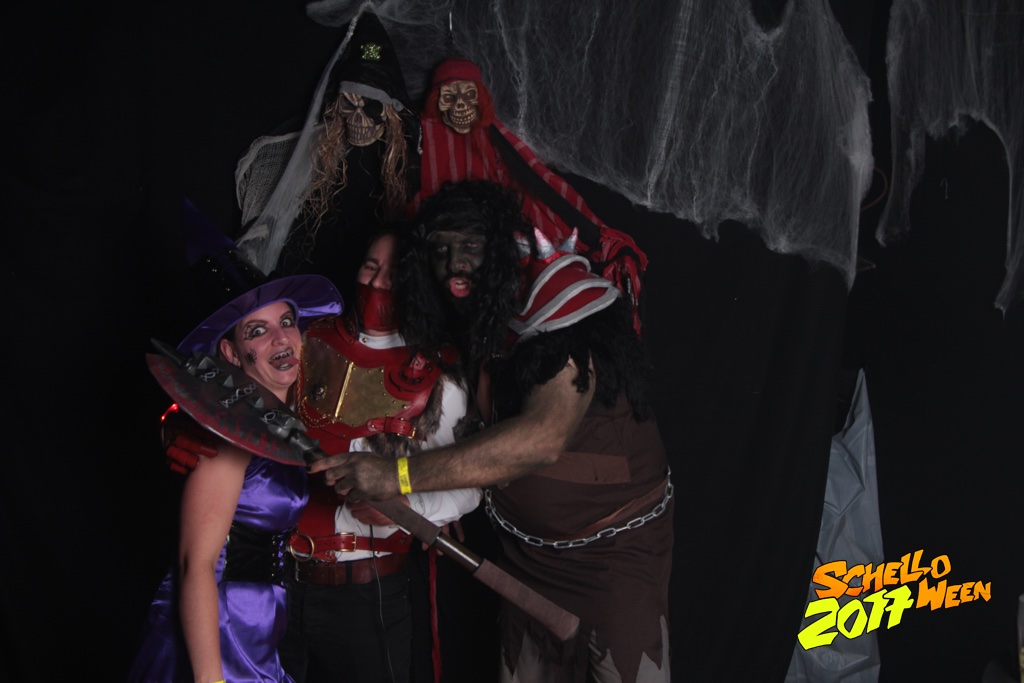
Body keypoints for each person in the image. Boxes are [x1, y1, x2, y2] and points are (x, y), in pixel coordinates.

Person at [312, 180, 674, 683]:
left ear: (502, 249)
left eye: (470, 246)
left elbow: (541, 441)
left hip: (611, 558)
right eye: (440, 250)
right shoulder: (470, 323)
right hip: (524, 558)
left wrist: (398, 476)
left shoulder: (559, 317)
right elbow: (472, 434)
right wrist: (432, 502)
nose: (455, 262)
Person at [278, 228, 481, 683]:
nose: (378, 283)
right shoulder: (306, 343)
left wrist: (407, 506)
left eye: (394, 274)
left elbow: (468, 486)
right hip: (278, 584)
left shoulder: (440, 377)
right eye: (370, 267)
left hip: (364, 597)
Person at [129, 253, 343, 682]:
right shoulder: (231, 433)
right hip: (220, 624)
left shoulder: (285, 424)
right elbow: (196, 564)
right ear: (230, 352)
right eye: (257, 331)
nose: (280, 339)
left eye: (286, 322)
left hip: (259, 621)